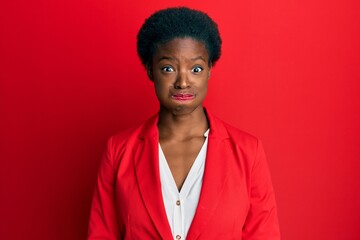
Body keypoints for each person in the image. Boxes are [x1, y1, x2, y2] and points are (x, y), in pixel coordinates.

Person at [88, 7, 280, 240]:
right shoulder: (118, 151)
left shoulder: (248, 152)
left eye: (196, 68)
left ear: (209, 70)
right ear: (151, 70)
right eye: (168, 68)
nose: (182, 82)